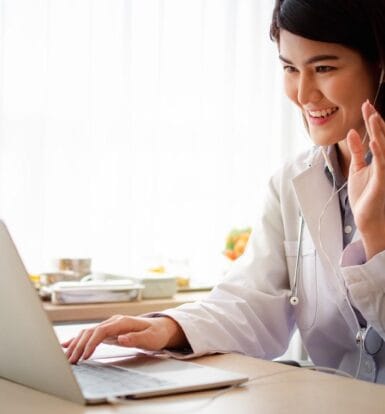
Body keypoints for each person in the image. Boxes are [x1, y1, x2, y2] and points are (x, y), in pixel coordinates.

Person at [63, 0, 385, 383]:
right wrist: (169, 328)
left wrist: (375, 238)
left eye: (324, 68)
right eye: (289, 68)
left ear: (379, 65)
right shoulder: (293, 182)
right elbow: (253, 301)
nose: (302, 93)